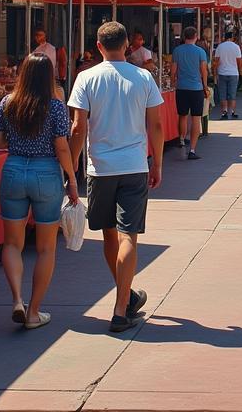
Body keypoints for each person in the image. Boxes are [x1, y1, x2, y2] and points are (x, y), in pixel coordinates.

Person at [69, 21, 164, 333]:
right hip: (134, 165)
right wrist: (158, 163)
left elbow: (77, 127)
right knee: (129, 236)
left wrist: (71, 169)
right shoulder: (143, 77)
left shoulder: (86, 77)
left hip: (101, 167)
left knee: (109, 235)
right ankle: (123, 304)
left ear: (98, 46)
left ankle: (125, 298)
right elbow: (157, 127)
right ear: (126, 45)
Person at [0, 54, 79, 330]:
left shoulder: (9, 102)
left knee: (12, 243)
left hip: (14, 169)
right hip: (45, 173)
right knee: (45, 248)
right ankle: (35, 312)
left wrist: (18, 139)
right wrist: (72, 179)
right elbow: (62, 146)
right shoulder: (55, 107)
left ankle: (18, 300)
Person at [172, 27, 208, 159]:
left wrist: (172, 81)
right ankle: (192, 149)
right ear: (196, 36)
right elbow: (203, 70)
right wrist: (205, 86)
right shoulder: (200, 52)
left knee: (182, 115)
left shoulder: (177, 50)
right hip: (196, 88)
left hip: (181, 87)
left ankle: (181, 140)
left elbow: (174, 69)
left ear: (184, 36)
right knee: (196, 118)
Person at [213, 30, 242, 119]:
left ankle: (224, 112)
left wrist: (215, 72)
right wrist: (241, 72)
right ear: (232, 38)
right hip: (234, 73)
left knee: (223, 94)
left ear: (225, 38)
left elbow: (216, 61)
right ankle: (233, 112)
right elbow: (239, 61)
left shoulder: (220, 47)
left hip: (222, 73)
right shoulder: (236, 47)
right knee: (232, 94)